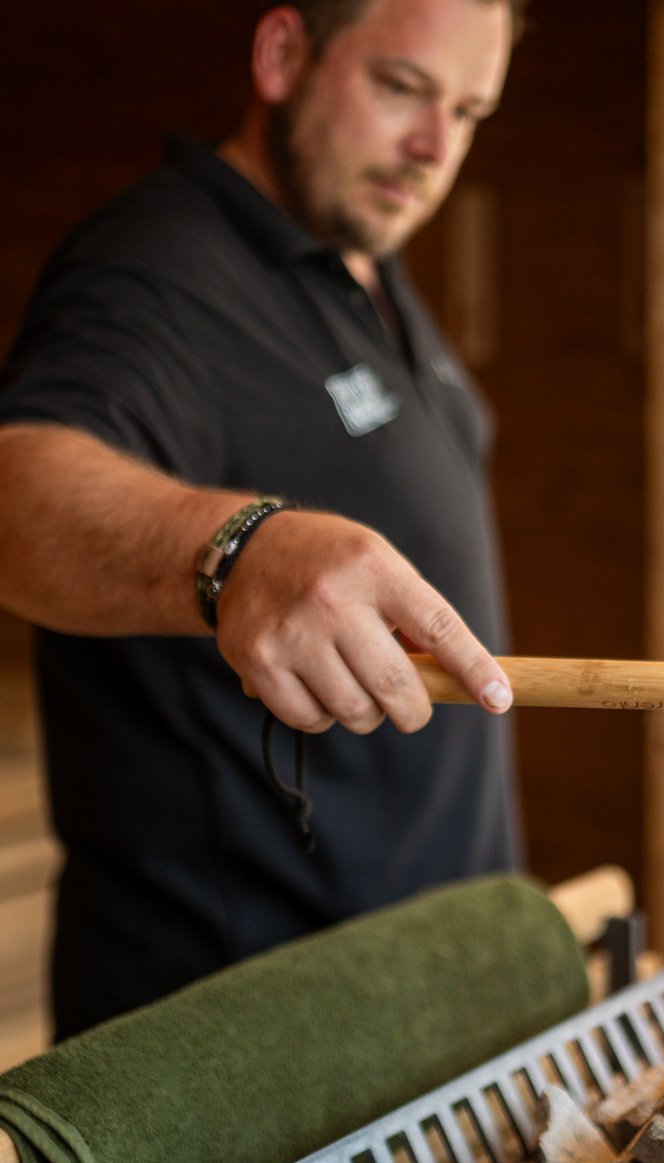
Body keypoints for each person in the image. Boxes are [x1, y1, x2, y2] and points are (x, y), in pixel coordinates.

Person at [0, 0, 527, 1040]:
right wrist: (237, 550)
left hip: (417, 991)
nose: (433, 147)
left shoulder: (357, 265)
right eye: (402, 89)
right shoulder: (159, 268)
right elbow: (16, 487)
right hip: (243, 1038)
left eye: (468, 112)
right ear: (284, 53)